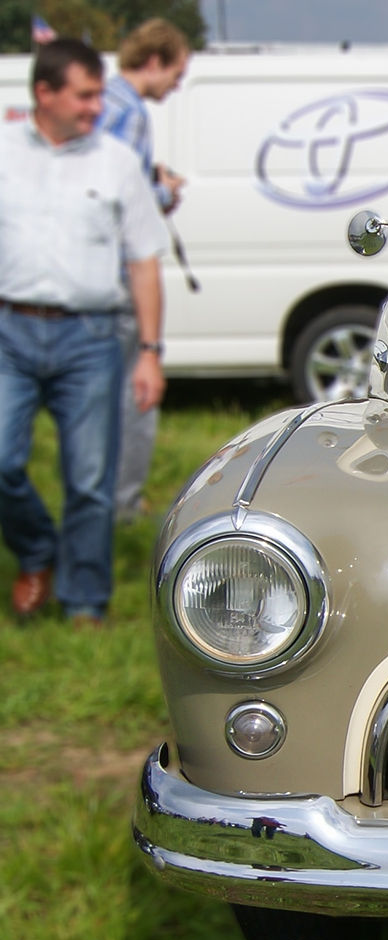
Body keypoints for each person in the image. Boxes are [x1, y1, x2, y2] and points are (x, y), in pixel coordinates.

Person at [0, 39, 169, 624]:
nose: (99, 106)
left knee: (92, 480)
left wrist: (149, 352)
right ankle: (37, 550)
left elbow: (145, 260)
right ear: (44, 93)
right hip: (9, 334)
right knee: (1, 459)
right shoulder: (3, 151)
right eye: (86, 94)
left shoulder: (117, 160)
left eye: (99, 93)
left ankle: (84, 602)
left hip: (92, 339)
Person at [98, 18, 189, 523]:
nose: (177, 84)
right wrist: (165, 192)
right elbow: (119, 197)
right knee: (135, 396)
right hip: (118, 273)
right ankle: (123, 506)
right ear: (154, 61)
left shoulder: (104, 100)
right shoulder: (129, 113)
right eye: (176, 71)